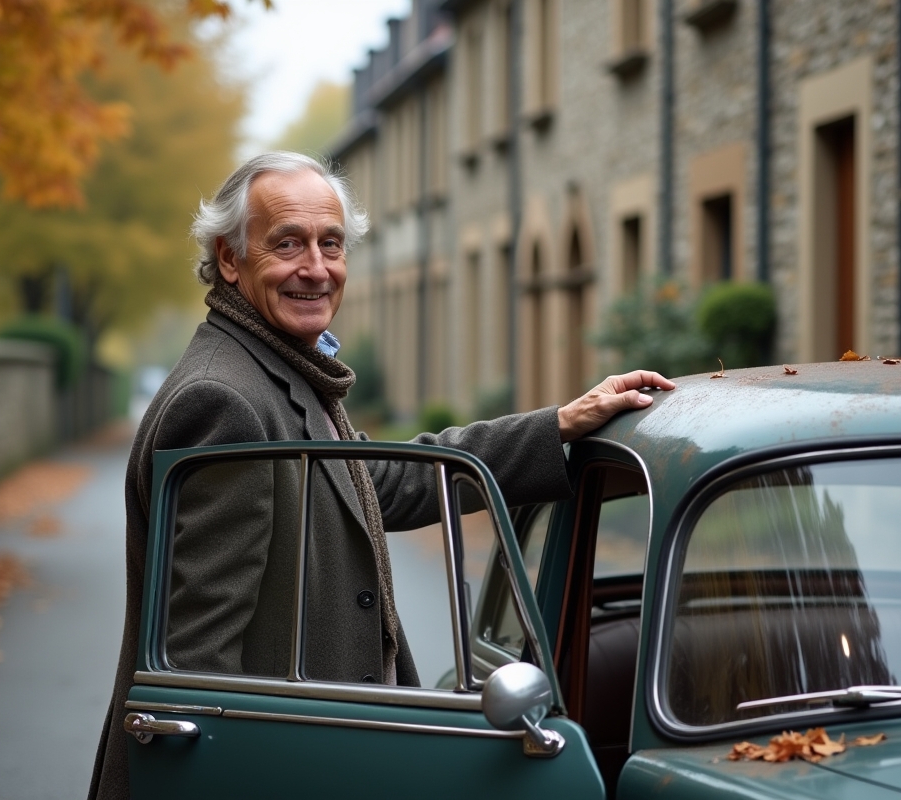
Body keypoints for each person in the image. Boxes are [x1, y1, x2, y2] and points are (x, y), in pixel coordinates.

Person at [88, 152, 674, 800]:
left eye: (330, 244)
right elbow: (197, 673)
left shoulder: (277, 372)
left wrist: (560, 424)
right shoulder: (227, 401)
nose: (316, 268)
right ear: (230, 259)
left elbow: (383, 483)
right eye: (288, 244)